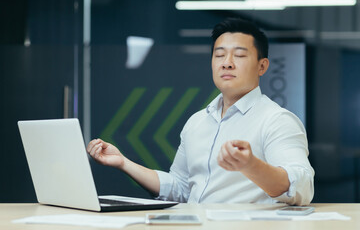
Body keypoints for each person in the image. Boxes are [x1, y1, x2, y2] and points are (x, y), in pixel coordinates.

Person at [87, 18, 314, 206]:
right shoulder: (197, 122)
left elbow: (302, 187)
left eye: (239, 55)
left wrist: (251, 165)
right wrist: (123, 162)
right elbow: (181, 188)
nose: (227, 63)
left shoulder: (277, 120)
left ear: (262, 66)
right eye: (219, 54)